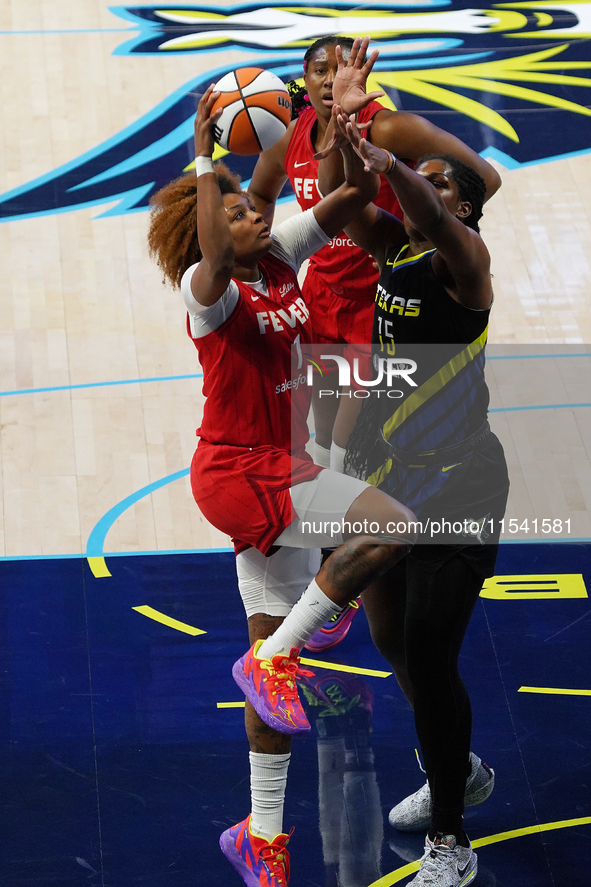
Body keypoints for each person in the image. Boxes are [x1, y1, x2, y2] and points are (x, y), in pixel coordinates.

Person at [147, 39, 417, 887]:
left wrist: (338, 118)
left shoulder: (281, 256)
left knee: (277, 668)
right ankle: (274, 656)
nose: (254, 212)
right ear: (208, 230)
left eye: (249, 207)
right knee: (391, 524)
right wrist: (202, 163)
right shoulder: (211, 291)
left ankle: (261, 835)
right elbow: (215, 251)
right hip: (238, 470)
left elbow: (356, 199)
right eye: (235, 209)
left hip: (280, 466)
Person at [248, 34, 502, 651]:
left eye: (340, 70)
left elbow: (485, 179)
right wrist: (265, 249)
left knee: (349, 446)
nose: (328, 79)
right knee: (319, 436)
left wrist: (426, 230)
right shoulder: (299, 133)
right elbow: (280, 193)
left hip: (377, 300)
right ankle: (337, 562)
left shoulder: (391, 128)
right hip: (322, 297)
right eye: (318, 71)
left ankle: (339, 569)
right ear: (303, 82)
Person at [318, 100, 509, 886]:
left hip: (463, 480)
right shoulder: (396, 248)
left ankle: (449, 837)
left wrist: (395, 162)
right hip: (395, 475)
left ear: (461, 205)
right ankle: (452, 762)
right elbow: (338, 208)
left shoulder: (465, 264)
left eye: (434, 185)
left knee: (430, 653)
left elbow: (422, 199)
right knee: (392, 640)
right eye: (414, 182)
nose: (416, 192)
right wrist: (338, 138)